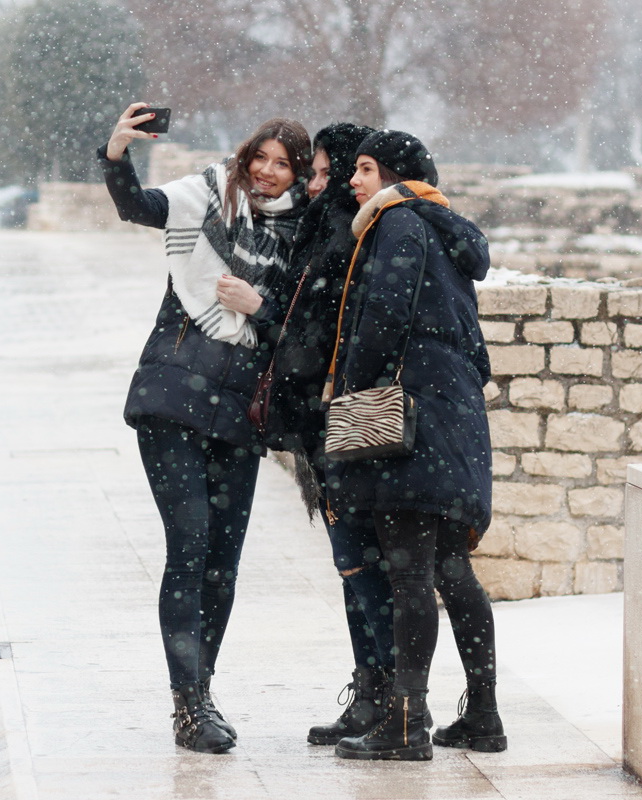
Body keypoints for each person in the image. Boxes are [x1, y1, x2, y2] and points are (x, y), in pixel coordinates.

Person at [97, 103, 310, 754]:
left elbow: (301, 331)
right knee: (190, 546)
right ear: (245, 156)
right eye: (260, 158)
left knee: (223, 563)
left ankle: (202, 691)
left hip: (240, 416)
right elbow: (138, 207)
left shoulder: (302, 236)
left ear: (299, 174)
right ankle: (187, 704)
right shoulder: (206, 197)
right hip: (172, 397)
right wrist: (116, 155)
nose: (267, 172)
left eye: (283, 164)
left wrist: (259, 305)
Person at [314, 130, 503, 761]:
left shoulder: (396, 222)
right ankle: (483, 714)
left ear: (395, 176)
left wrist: (350, 390)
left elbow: (383, 317)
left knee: (410, 572)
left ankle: (405, 724)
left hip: (411, 419)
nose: (354, 180)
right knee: (451, 568)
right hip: (454, 412)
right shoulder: (445, 228)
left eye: (366, 169)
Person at [260, 123, 406, 745]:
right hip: (326, 418)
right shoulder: (327, 229)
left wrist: (261, 313)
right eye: (315, 173)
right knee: (354, 566)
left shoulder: (348, 235)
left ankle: (389, 698)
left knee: (362, 563)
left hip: (344, 418)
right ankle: (373, 691)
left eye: (328, 172)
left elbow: (322, 330)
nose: (317, 184)